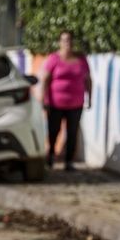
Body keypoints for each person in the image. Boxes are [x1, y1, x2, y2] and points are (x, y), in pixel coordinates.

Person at [41, 30, 92, 171]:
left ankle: (68, 161)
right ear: (60, 42)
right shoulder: (54, 59)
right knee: (54, 130)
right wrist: (44, 99)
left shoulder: (81, 59)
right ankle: (50, 155)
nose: (67, 43)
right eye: (64, 40)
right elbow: (45, 79)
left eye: (69, 40)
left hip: (76, 103)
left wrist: (90, 97)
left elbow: (88, 79)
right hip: (55, 103)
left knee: (72, 132)